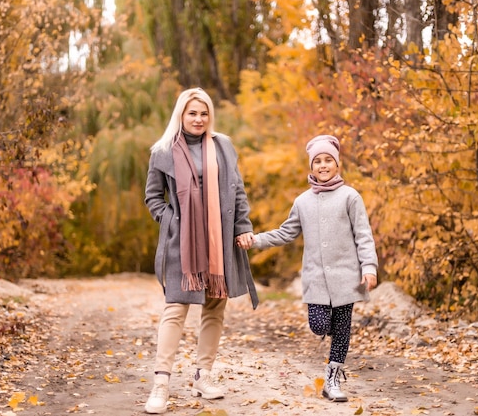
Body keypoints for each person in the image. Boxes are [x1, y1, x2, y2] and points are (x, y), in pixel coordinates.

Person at [143, 87, 259, 414]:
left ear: (210, 116)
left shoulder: (223, 146)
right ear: (181, 114)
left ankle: (202, 375)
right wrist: (172, 221)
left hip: (219, 241)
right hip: (183, 243)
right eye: (192, 113)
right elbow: (153, 197)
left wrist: (243, 226)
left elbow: (238, 191)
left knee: (214, 309)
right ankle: (161, 383)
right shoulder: (162, 151)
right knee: (175, 309)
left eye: (204, 113)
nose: (199, 119)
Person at [244, 134, 378, 402]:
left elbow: (364, 235)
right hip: (316, 277)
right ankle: (330, 340)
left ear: (337, 164)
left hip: (346, 276)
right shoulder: (303, 201)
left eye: (328, 160)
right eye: (318, 161)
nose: (323, 165)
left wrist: (369, 267)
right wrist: (255, 240)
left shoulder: (350, 197)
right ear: (311, 167)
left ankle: (333, 379)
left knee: (342, 329)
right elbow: (286, 232)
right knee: (319, 324)